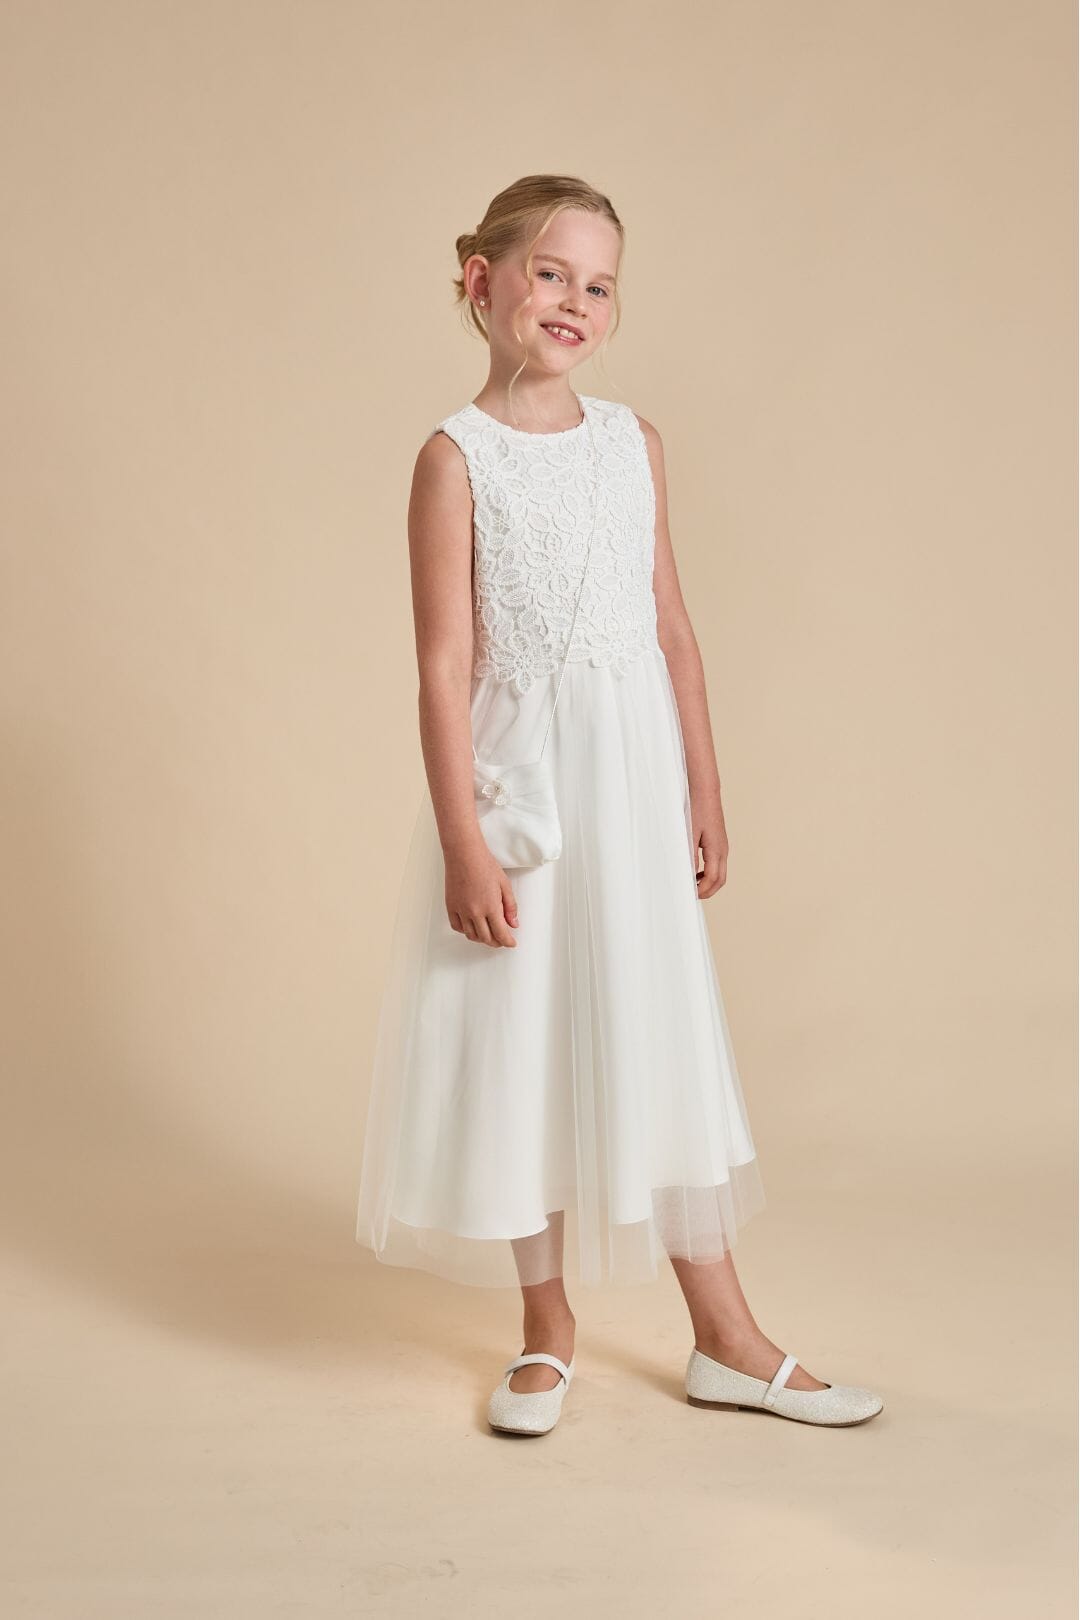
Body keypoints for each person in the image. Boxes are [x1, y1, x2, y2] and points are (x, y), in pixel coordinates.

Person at [355, 174, 883, 1435]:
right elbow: (442, 667)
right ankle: (546, 1331)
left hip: (635, 782)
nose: (574, 302)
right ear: (481, 280)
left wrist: (704, 785)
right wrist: (462, 840)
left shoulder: (632, 444)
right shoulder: (454, 460)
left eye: (599, 285)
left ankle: (728, 1338)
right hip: (525, 789)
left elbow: (672, 628)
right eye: (549, 273)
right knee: (522, 1040)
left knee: (656, 1025)